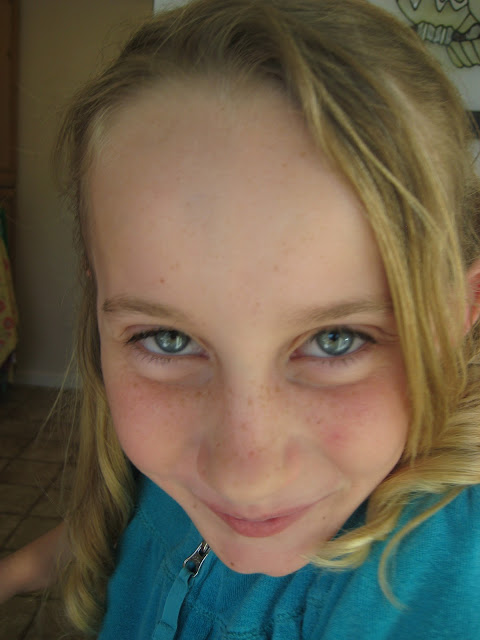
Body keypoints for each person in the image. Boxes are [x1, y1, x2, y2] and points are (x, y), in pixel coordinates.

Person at [2, 0, 480, 637]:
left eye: (336, 340)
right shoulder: (176, 471)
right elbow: (138, 531)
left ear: (457, 315)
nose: (243, 478)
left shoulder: (436, 580)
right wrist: (16, 570)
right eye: (168, 339)